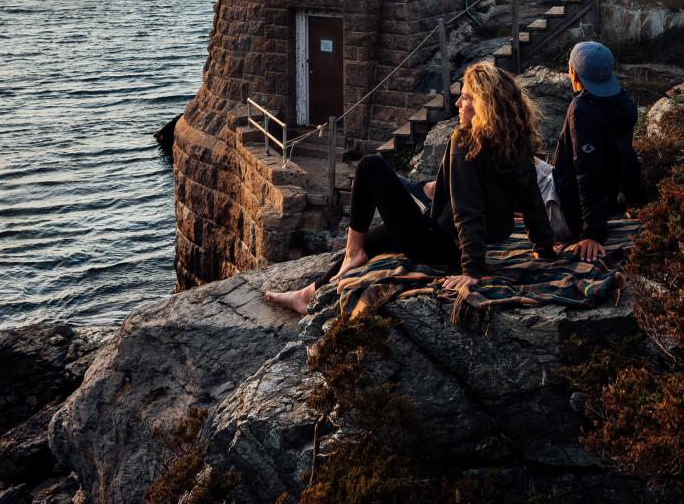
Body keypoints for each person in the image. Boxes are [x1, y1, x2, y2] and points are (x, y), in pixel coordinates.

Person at [264, 60, 554, 317]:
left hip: (437, 243)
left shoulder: (465, 142)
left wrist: (472, 271)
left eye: (464, 98)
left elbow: (469, 211)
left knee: (370, 166)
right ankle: (309, 293)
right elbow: (532, 202)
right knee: (376, 237)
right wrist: (544, 248)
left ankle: (351, 253)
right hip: (453, 235)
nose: (457, 104)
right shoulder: (516, 143)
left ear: (483, 105)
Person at [546, 40, 648, 262]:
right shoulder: (624, 103)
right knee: (537, 166)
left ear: (573, 73)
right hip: (601, 205)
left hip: (570, 217)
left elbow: (587, 172)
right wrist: (641, 202)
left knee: (521, 168)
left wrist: (592, 234)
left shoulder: (581, 111)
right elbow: (627, 157)